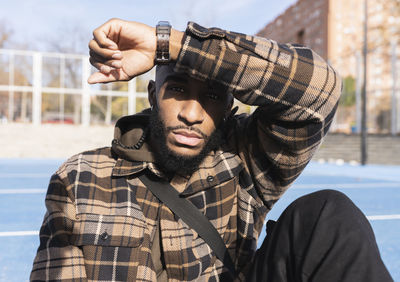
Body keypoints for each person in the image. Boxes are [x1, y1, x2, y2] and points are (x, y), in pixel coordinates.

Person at [30, 19, 393, 281]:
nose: (191, 113)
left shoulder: (244, 161)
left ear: (229, 110)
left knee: (328, 214)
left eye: (213, 96)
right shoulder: (80, 177)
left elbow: (319, 90)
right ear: (152, 96)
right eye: (177, 90)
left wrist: (169, 44)